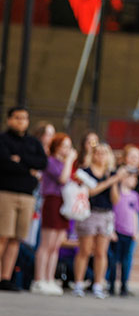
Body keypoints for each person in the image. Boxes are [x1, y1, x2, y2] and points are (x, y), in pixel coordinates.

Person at [0, 107, 48, 291]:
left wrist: (20, 160)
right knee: (3, 236)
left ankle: (6, 277)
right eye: (17, 118)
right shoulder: (3, 140)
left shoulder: (33, 142)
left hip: (27, 196)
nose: (21, 121)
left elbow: (42, 163)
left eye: (25, 118)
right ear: (9, 119)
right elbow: (4, 163)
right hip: (6, 193)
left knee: (16, 238)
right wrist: (28, 168)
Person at [73, 143, 126, 298]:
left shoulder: (111, 174)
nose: (101, 156)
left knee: (101, 252)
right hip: (89, 213)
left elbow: (115, 200)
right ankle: (78, 283)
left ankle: (98, 283)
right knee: (85, 250)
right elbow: (91, 191)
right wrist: (111, 180)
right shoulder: (85, 172)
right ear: (93, 155)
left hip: (106, 214)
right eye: (98, 153)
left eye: (104, 153)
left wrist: (115, 181)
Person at [32, 133, 77, 295]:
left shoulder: (63, 162)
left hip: (63, 202)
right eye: (64, 146)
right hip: (52, 201)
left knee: (56, 245)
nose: (67, 150)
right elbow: (63, 179)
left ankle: (49, 278)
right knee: (47, 243)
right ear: (56, 146)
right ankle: (39, 279)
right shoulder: (50, 162)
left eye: (69, 146)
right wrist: (70, 161)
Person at [108, 144, 139, 293]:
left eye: (137, 157)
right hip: (116, 218)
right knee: (113, 255)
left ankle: (125, 283)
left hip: (132, 218)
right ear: (125, 158)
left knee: (128, 254)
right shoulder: (117, 174)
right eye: (132, 156)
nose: (134, 159)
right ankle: (110, 282)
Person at [108, 172, 139, 296]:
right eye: (132, 178)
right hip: (117, 232)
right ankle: (111, 285)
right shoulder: (116, 194)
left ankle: (123, 285)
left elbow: (135, 214)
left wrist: (135, 231)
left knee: (125, 260)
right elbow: (111, 213)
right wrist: (111, 230)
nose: (134, 181)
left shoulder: (135, 196)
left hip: (129, 233)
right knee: (113, 260)